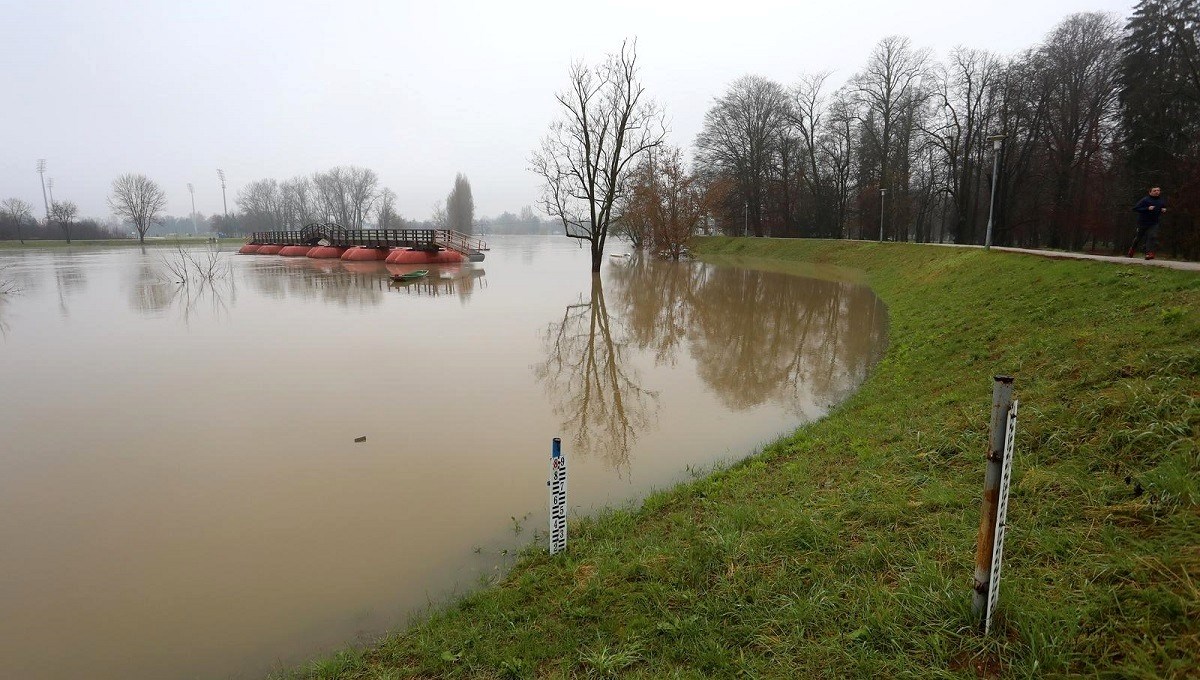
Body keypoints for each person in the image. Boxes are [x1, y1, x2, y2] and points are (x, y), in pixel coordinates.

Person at [1128, 186, 1166, 260]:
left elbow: (1163, 207)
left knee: (1152, 236)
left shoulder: (1161, 200)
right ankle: (1132, 249)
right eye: (1154, 190)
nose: (1157, 192)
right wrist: (1147, 208)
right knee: (1138, 238)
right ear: (1150, 192)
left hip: (1154, 223)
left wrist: (1164, 210)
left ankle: (1149, 253)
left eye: (1158, 190)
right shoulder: (1145, 200)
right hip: (1143, 222)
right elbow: (1135, 208)